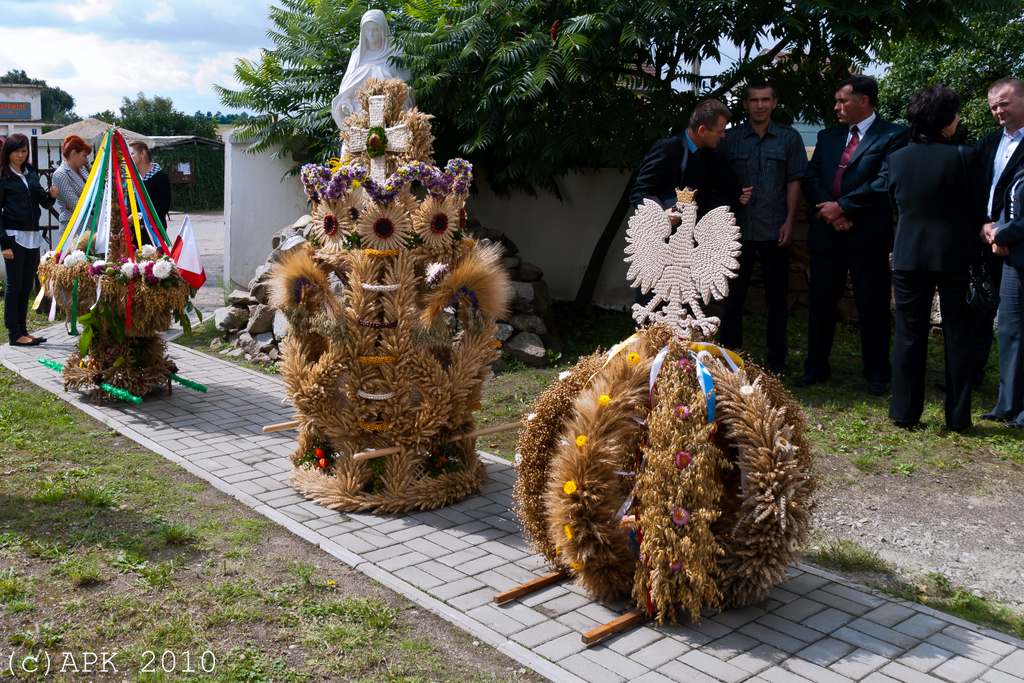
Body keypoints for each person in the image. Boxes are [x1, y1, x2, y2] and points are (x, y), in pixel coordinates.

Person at [800, 75, 908, 394]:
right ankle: (816, 367)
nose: (837, 107)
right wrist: (830, 211)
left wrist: (844, 207)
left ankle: (877, 372)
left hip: (867, 235)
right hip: (828, 233)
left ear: (864, 101)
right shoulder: (829, 136)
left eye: (843, 101)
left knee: (872, 305)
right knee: (821, 302)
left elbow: (885, 182)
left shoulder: (893, 136)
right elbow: (811, 176)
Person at [886, 86, 983, 432]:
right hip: (954, 253)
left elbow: (894, 203)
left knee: (908, 334)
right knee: (958, 336)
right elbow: (977, 207)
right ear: (944, 120)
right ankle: (958, 417)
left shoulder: (897, 158)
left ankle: (904, 411)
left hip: (909, 252)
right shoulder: (965, 156)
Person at [719, 83, 808, 373]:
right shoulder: (730, 139)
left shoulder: (789, 138)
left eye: (765, 100)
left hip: (774, 228)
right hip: (736, 230)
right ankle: (729, 358)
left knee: (777, 299)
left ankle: (777, 360)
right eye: (754, 100)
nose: (760, 105)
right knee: (732, 298)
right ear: (745, 104)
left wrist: (790, 221)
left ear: (774, 102)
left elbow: (794, 181)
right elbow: (716, 180)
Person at [972, 78, 1024, 391]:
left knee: (1015, 320)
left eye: (1004, 103)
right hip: (985, 237)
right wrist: (984, 225)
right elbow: (975, 187)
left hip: (1018, 242)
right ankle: (973, 375)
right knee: (979, 308)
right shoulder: (988, 142)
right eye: (993, 107)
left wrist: (1006, 235)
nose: (998, 111)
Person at [630, 98, 740, 221]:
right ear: (702, 130)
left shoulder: (711, 154)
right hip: (666, 230)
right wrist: (661, 215)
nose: (723, 135)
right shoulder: (667, 148)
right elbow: (640, 192)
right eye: (720, 131)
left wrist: (739, 193)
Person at [0, 133, 58, 346]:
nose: (20, 155)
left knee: (26, 286)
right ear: (8, 152)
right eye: (16, 151)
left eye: (24, 151)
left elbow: (44, 202)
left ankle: (23, 330)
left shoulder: (30, 172)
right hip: (14, 237)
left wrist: (51, 195)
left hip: (33, 236)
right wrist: (4, 244)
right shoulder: (3, 176)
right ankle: (14, 334)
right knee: (14, 286)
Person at [330, 9, 412, 129]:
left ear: (382, 30)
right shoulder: (358, 56)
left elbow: (406, 84)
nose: (371, 34)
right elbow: (347, 88)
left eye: (375, 30)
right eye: (368, 30)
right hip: (360, 111)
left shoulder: (395, 51)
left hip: (390, 109)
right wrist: (346, 101)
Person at [128, 140, 171, 240]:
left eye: (132, 154)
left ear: (142, 154)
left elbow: (163, 206)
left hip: (154, 230)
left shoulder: (160, 176)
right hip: (134, 230)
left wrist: (140, 216)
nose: (129, 157)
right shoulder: (132, 177)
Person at [51, 134, 92, 230]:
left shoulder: (83, 170)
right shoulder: (60, 174)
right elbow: (75, 205)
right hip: (73, 228)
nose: (86, 160)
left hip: (89, 225)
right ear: (73, 153)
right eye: (84, 156)